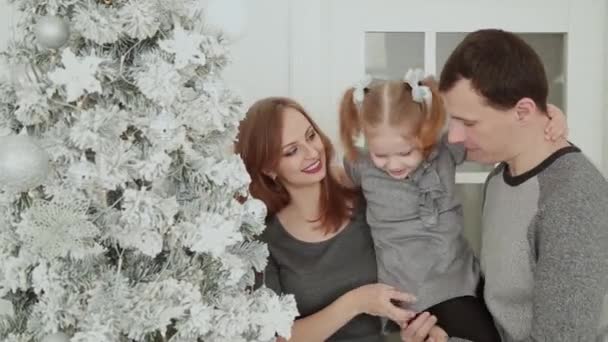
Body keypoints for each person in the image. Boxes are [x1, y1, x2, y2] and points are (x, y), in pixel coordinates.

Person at [337, 69, 567, 341]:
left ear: (425, 134)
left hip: (461, 279)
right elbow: (330, 187)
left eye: (406, 152)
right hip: (411, 295)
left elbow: (495, 135)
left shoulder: (443, 150)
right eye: (381, 154)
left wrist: (547, 116)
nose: (394, 164)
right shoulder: (360, 164)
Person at [438, 28, 608, 342]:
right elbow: (503, 306)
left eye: (469, 122)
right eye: (453, 120)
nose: (454, 137)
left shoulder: (572, 199)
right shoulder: (499, 177)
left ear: (523, 111)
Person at [236, 97, 448, 342]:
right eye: (292, 151)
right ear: (268, 169)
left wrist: (424, 328)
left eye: (310, 136)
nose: (312, 152)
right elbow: (274, 338)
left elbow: (417, 263)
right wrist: (356, 302)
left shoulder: (367, 199)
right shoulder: (261, 240)